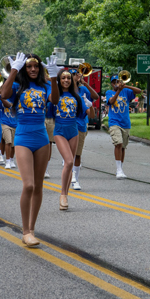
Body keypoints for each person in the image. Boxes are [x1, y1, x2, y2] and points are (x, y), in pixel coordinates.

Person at [0, 52, 59, 247]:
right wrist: (14, 69)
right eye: (29, 66)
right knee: (29, 185)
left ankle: (31, 230)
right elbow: (4, 94)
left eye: (36, 66)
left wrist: (54, 77)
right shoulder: (18, 85)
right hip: (23, 137)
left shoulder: (45, 85)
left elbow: (55, 100)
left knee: (39, 185)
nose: (33, 69)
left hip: (41, 137)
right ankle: (25, 231)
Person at [53, 69, 89, 210]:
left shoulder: (77, 97)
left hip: (74, 131)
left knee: (70, 164)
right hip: (60, 130)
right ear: (59, 80)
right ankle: (62, 194)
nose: (66, 80)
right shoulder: (55, 95)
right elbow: (48, 111)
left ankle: (65, 195)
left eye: (68, 78)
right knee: (68, 161)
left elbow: (85, 114)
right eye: (63, 78)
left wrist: (90, 107)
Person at [105, 75, 142, 179]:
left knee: (123, 147)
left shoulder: (126, 91)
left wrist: (126, 86)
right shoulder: (109, 92)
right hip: (114, 122)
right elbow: (111, 102)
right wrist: (118, 91)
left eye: (118, 81)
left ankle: (120, 168)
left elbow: (138, 91)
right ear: (111, 84)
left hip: (125, 123)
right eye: (114, 82)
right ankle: (118, 170)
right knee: (118, 143)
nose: (116, 83)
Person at [70, 68, 99, 190]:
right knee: (69, 153)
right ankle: (69, 174)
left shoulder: (82, 90)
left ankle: (75, 178)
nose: (74, 76)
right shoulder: (64, 90)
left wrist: (84, 82)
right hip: (67, 123)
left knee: (77, 153)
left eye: (76, 74)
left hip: (81, 123)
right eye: (72, 74)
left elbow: (95, 96)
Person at [0, 89, 17, 170]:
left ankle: (12, 159)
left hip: (15, 123)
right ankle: (7, 161)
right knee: (8, 141)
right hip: (5, 123)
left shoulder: (16, 98)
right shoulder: (2, 97)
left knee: (13, 144)